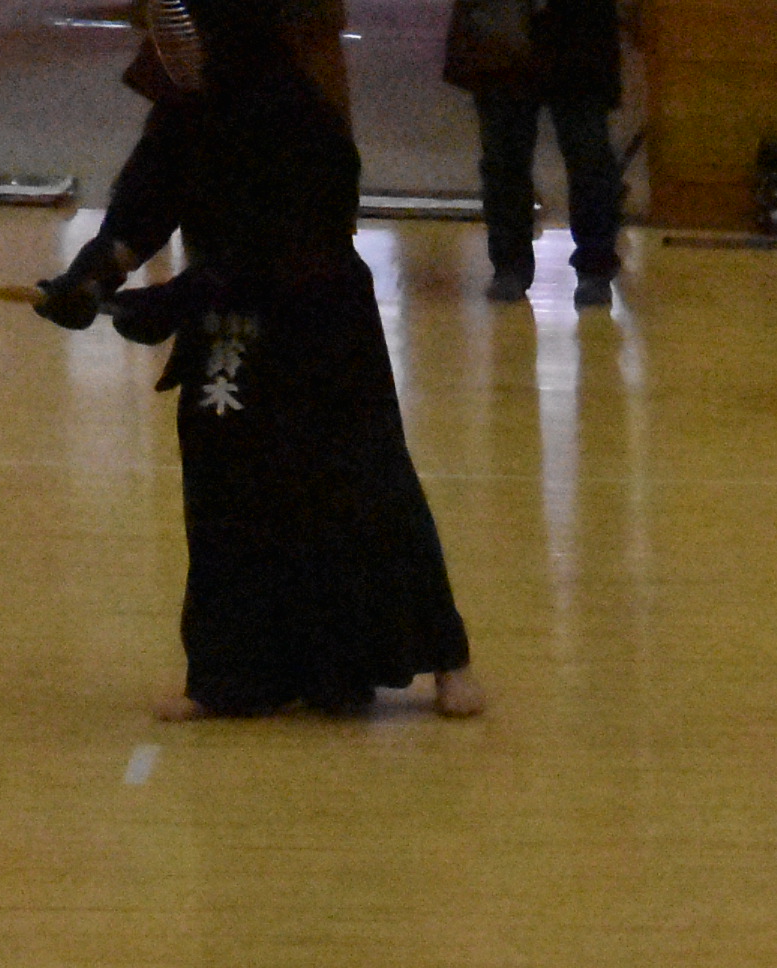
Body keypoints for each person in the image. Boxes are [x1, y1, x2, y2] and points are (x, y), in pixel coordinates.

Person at [35, 0, 483, 721]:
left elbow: (286, 248)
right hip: (231, 328)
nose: (174, 47)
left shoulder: (300, 119)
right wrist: (89, 278)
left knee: (365, 489)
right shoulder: (186, 114)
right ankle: (231, 675)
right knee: (227, 497)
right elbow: (143, 208)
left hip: (321, 332)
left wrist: (176, 300)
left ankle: (446, 658)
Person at [444, 0, 629, 302]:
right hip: (505, 25)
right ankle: (510, 266)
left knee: (588, 157)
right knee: (506, 157)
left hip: (578, 28)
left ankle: (594, 266)